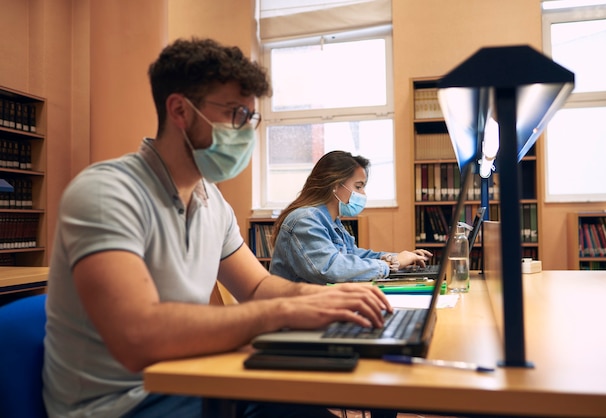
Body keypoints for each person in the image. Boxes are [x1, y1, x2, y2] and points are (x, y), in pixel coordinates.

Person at [42, 38, 392, 418]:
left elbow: (257, 286)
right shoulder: (106, 193)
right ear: (180, 110)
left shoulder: (210, 200)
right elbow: (137, 338)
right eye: (237, 115)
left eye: (251, 118)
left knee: (304, 404)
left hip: (191, 376)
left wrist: (320, 300)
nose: (246, 132)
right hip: (122, 404)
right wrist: (285, 311)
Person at [270, 150, 433, 284]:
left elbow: (353, 256)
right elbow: (331, 268)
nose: (363, 194)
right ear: (335, 185)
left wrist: (397, 258)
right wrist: (389, 266)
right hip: (296, 317)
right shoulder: (305, 220)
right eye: (358, 186)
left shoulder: (332, 221)